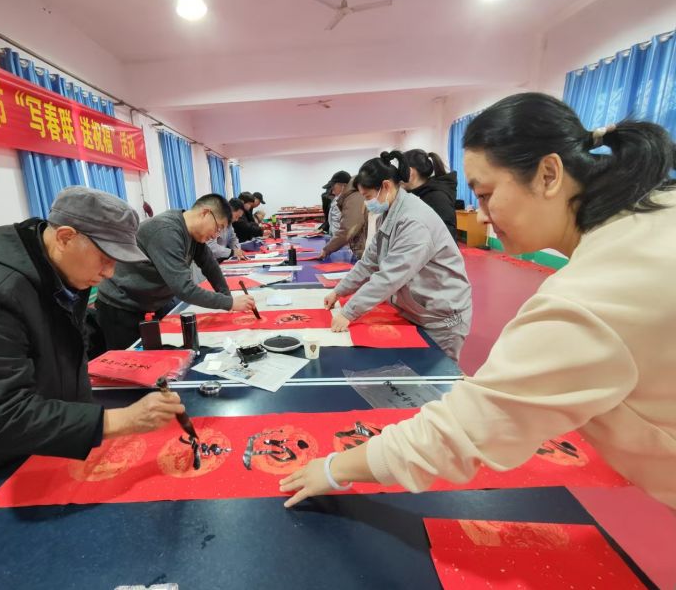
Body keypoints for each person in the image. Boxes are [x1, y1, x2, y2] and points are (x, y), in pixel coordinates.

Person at [279, 92, 676, 512]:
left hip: (439, 311)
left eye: (485, 194)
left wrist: (334, 468)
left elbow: (468, 427)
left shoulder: (595, 292)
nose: (481, 216)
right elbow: (375, 263)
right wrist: (342, 293)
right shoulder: (647, 223)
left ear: (548, 174)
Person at [0, 187, 187, 535]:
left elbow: (67, 359)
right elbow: (3, 414)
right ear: (66, 237)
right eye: (105, 257)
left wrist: (84, 434)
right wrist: (119, 421)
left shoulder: (59, 274)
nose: (111, 273)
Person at [323, 151, 472, 361]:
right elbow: (369, 262)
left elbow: (391, 275)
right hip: (416, 309)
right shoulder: (389, 212)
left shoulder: (414, 220)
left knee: (435, 379)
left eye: (367, 197)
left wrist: (349, 312)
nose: (366, 203)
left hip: (440, 316)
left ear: (385, 186)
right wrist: (339, 291)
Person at [96, 193, 256, 349]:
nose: (215, 235)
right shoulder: (166, 230)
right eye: (218, 227)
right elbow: (184, 288)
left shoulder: (193, 234)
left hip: (151, 302)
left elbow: (210, 265)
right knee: (129, 362)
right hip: (121, 305)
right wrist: (230, 303)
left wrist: (226, 296)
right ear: (205, 214)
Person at [401, 149, 458, 240]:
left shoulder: (436, 198)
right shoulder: (418, 195)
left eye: (400, 170)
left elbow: (446, 239)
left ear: (410, 172)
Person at [319, 177, 367, 261]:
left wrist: (327, 249)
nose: (332, 191)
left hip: (359, 248)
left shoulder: (354, 198)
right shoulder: (349, 197)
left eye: (333, 188)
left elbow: (347, 229)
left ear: (343, 186)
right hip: (351, 244)